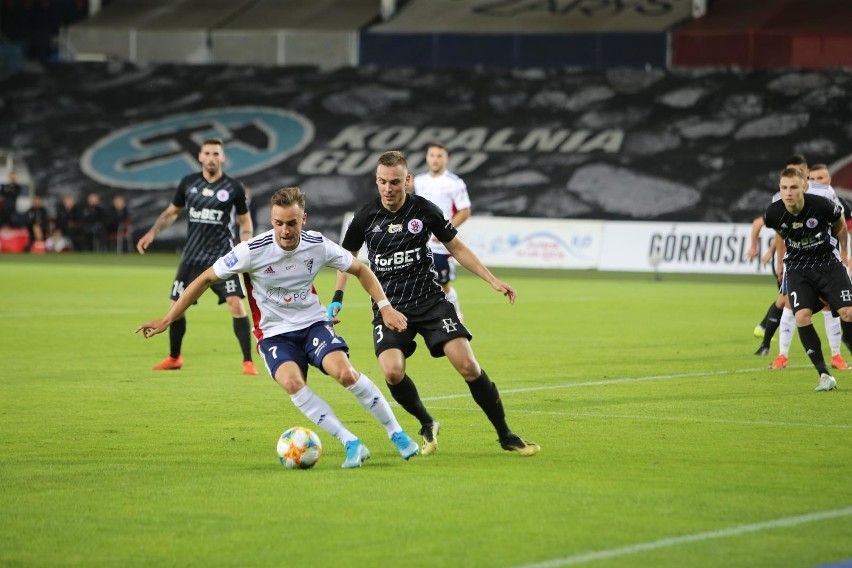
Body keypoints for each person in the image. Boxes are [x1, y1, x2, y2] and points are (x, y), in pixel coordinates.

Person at [135, 186, 420, 468]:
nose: (285, 230)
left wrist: (385, 306)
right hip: (273, 335)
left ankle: (397, 434)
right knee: (292, 382)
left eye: (292, 223)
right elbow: (206, 278)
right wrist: (168, 318)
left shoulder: (317, 244)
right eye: (279, 223)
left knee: (345, 373)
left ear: (303, 220)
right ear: (272, 221)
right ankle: (351, 443)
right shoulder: (250, 251)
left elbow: (360, 269)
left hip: (313, 325)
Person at [332, 150, 540, 457]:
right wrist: (337, 298)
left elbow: (456, 246)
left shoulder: (424, 210)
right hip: (390, 307)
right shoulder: (365, 217)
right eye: (382, 182)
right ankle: (427, 422)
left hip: (430, 302)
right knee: (391, 372)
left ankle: (505, 434)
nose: (388, 189)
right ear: (376, 181)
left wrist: (492, 280)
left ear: (408, 180)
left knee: (468, 366)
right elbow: (346, 259)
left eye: (395, 182)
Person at [136, 138, 258, 375]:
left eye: (216, 154)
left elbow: (245, 220)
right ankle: (174, 358)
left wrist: (245, 247)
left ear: (222, 157)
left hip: (222, 257)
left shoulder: (233, 187)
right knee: (175, 308)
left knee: (235, 304)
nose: (211, 158)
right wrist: (152, 232)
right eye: (207, 154)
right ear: (200, 157)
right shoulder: (188, 183)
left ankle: (248, 362)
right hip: (191, 257)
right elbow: (172, 212)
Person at [750, 155, 849, 371]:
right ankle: (783, 355)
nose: (788, 191)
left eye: (793, 186)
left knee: (840, 310)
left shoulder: (824, 198)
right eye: (784, 187)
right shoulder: (776, 207)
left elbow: (841, 223)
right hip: (797, 267)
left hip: (826, 262)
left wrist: (842, 253)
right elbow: (779, 232)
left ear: (804, 182)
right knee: (791, 306)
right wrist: (777, 260)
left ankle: (838, 354)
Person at [410, 143, 471, 321]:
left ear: (446, 159)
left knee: (443, 284)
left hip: (441, 244)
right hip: (420, 241)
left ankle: (456, 315)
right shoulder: (419, 181)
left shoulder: (454, 183)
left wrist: (446, 231)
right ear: (427, 157)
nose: (435, 159)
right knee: (418, 281)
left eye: (439, 156)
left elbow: (465, 211)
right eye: (432, 155)